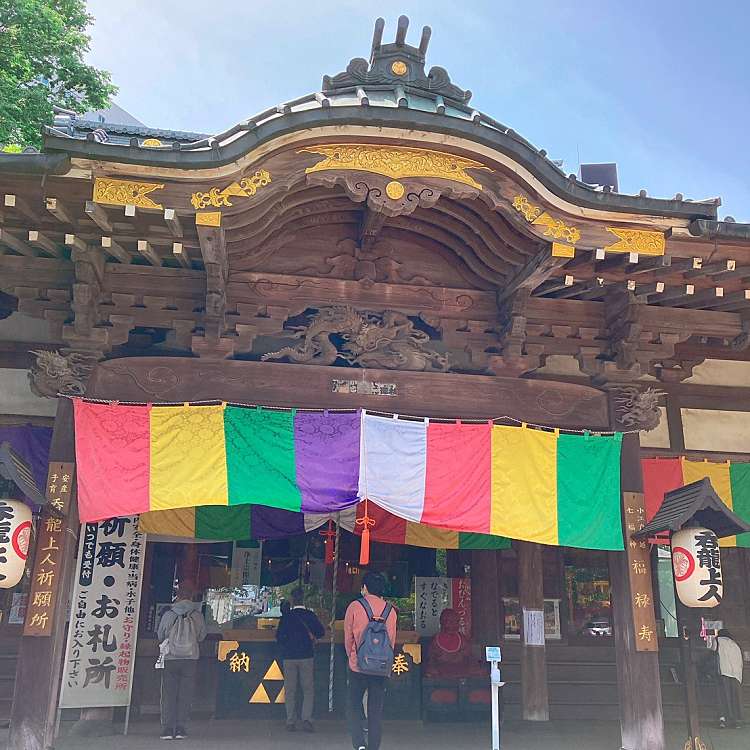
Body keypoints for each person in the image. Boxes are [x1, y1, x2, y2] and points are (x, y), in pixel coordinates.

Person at [344, 571, 397, 750]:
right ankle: (374, 746)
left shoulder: (354, 606)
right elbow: (391, 641)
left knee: (353, 705)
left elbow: (348, 638)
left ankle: (359, 744)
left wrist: (352, 656)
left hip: (357, 665)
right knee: (375, 710)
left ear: (365, 587)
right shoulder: (391, 611)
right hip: (381, 667)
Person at [156, 582, 207, 740]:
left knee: (168, 693)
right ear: (191, 596)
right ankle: (180, 727)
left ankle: (167, 728)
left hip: (171, 657)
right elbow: (201, 636)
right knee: (185, 693)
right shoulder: (197, 615)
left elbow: (161, 635)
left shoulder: (169, 614)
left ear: (177, 596)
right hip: (190, 658)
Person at [276, 587, 325, 732]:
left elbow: (279, 637)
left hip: (289, 657)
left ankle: (290, 721)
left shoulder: (286, 617)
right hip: (306, 656)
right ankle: (306, 719)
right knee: (308, 689)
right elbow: (321, 632)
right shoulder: (310, 615)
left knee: (290, 690)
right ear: (303, 599)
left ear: (292, 600)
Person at [709, 629, 744, 728]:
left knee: (723, 696)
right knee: (735, 697)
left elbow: (712, 650)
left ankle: (723, 719)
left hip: (723, 672)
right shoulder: (735, 644)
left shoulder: (718, 641)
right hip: (736, 675)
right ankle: (736, 720)